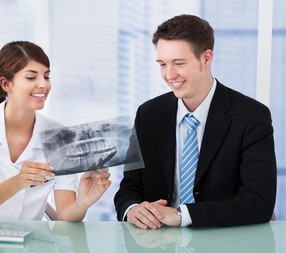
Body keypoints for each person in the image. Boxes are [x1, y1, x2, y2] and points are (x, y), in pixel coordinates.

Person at [114, 14, 277, 228]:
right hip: (158, 244)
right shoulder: (149, 115)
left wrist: (182, 215)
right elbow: (129, 189)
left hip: (224, 243)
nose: (169, 75)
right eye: (162, 64)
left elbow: (258, 202)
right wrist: (133, 209)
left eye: (179, 63)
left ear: (206, 58)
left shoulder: (251, 116)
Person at [0, 41, 111, 222]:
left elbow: (65, 216)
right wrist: (18, 182)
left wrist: (82, 203)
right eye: (31, 78)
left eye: (46, 77)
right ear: (6, 84)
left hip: (26, 244)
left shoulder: (61, 137)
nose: (43, 84)